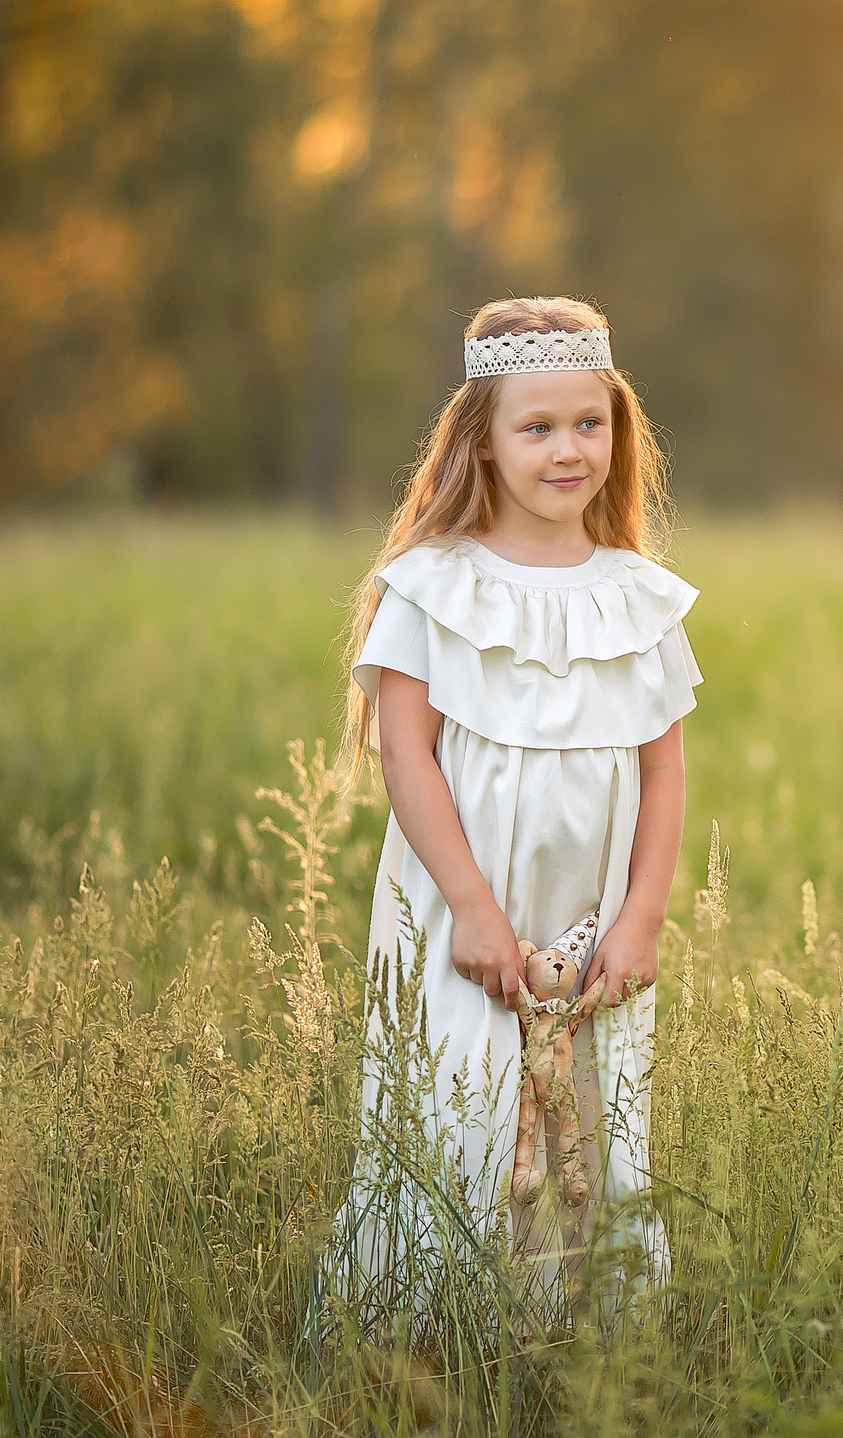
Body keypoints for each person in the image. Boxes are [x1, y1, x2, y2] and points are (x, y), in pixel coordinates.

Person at [325, 296, 694, 1329]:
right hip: (465, 908)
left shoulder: (639, 595)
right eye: (536, 427)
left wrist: (641, 918)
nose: (568, 449)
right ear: (482, 441)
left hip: (593, 922)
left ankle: (582, 1339)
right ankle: (431, 1334)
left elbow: (664, 770)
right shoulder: (434, 586)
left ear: (618, 429)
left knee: (587, 1119)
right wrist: (473, 909)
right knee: (463, 1110)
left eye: (589, 422)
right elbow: (404, 751)